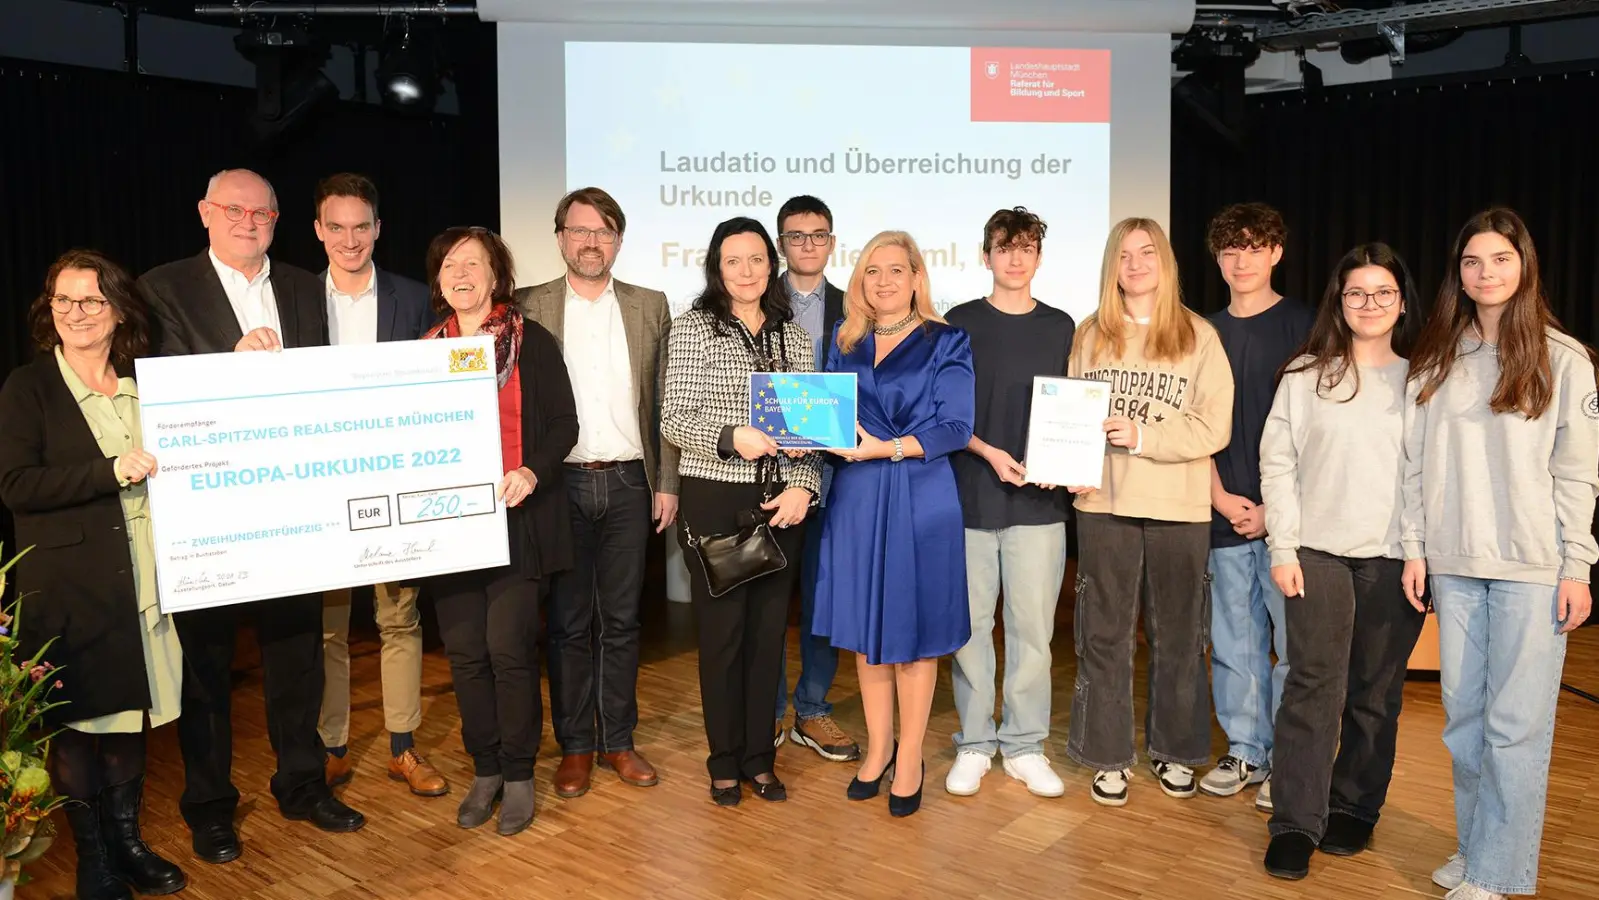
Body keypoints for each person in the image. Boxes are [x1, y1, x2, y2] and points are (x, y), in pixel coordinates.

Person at [138, 168, 365, 863]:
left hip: (291, 506)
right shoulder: (161, 288)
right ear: (205, 212)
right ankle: (209, 806)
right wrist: (226, 367)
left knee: (296, 658)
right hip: (207, 514)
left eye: (262, 212)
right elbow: (151, 383)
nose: (248, 221)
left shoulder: (303, 286)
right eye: (233, 210)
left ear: (276, 219)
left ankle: (302, 784)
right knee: (206, 665)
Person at [1401, 209, 1597, 900]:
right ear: (1457, 273)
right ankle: (1477, 845)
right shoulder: (1436, 358)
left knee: (1515, 725)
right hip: (1454, 565)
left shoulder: (1561, 358)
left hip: (1530, 568)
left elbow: (1577, 472)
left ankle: (1495, 871)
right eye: (1471, 262)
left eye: (1499, 260)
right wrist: (1415, 547)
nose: (1485, 274)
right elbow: (1414, 464)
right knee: (1462, 722)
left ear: (1524, 267)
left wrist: (1576, 565)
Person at [0, 250, 186, 900]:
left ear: (117, 311)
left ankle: (130, 844)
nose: (75, 313)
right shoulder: (29, 388)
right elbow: (17, 486)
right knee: (81, 731)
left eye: (90, 301)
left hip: (144, 583)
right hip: (73, 592)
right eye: (63, 300)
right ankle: (95, 860)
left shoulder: (145, 383)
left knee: (129, 720)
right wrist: (110, 468)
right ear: (48, 310)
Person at [1256, 243, 1427, 879]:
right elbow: (1278, 464)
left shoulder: (1420, 379)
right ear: (1339, 300)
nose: (1369, 304)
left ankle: (1355, 805)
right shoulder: (1305, 376)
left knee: (1375, 694)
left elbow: (1421, 477)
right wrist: (1283, 547)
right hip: (1316, 554)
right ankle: (1297, 820)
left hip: (1390, 560)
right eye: (1356, 293)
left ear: (1401, 301)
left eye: (1383, 293)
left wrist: (1417, 552)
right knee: (1310, 686)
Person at [1064, 217, 1234, 807]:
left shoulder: (1198, 335)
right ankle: (1106, 755)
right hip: (1104, 502)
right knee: (1104, 634)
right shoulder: (1091, 334)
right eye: (1124, 255)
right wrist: (1068, 464)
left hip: (1178, 507)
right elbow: (1070, 417)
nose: (1135, 265)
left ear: (1166, 262)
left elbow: (1214, 426)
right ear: (1111, 266)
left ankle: (1176, 751)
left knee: (1180, 635)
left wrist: (1140, 435)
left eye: (1147, 253)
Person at [516, 187, 676, 799]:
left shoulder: (648, 305)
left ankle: (619, 739)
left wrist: (667, 484)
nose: (591, 242)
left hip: (632, 482)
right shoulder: (528, 306)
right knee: (567, 623)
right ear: (560, 238)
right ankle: (576, 745)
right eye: (580, 231)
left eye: (604, 232)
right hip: (559, 485)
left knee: (624, 621)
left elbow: (664, 401)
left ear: (618, 241)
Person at [421, 226, 578, 836]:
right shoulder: (424, 351)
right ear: (440, 280)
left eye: (474, 264)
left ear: (496, 276)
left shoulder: (530, 341)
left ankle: (517, 775)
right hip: (451, 525)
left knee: (510, 653)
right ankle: (483, 768)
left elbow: (564, 423)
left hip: (518, 521)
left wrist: (531, 472)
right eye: (450, 264)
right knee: (464, 656)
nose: (461, 274)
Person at [813, 230, 976, 819]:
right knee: (866, 630)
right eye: (872, 271)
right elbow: (827, 418)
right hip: (856, 498)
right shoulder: (844, 339)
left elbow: (956, 427)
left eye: (895, 270)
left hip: (919, 495)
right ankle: (878, 747)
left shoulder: (947, 340)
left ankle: (911, 755)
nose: (883, 281)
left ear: (915, 278)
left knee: (914, 632)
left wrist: (888, 450)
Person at [661, 216, 821, 807]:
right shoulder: (694, 329)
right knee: (723, 640)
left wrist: (803, 487)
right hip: (715, 500)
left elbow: (810, 434)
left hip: (781, 504)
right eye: (734, 261)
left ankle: (760, 758)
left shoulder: (794, 337)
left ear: (772, 264)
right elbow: (673, 420)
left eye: (757, 259)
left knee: (767, 641)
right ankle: (723, 760)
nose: (747, 271)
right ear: (716, 267)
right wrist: (734, 435)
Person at [311, 172, 447, 798]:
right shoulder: (294, 300)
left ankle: (403, 747)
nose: (349, 238)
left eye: (360, 226)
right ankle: (332, 747)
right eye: (336, 226)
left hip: (396, 488)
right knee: (328, 629)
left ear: (378, 229)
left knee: (400, 618)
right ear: (318, 230)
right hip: (319, 489)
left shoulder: (415, 299)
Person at [944, 208, 1075, 798]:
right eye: (1004, 247)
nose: (1016, 258)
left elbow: (1073, 413)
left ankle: (1024, 745)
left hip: (1039, 509)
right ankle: (974, 742)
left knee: (1031, 632)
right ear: (986, 254)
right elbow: (943, 413)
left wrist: (1063, 463)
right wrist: (988, 451)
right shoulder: (958, 323)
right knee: (969, 629)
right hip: (970, 497)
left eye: (1026, 248)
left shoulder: (1062, 327)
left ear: (1039, 258)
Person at [1200, 203, 1315, 810]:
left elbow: (1323, 429)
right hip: (1220, 510)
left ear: (1276, 252)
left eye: (1253, 247)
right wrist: (1219, 495)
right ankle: (1246, 748)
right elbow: (1190, 422)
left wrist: (1273, 508)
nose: (1241, 260)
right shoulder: (1200, 331)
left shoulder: (1309, 325)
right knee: (1234, 640)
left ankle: (1290, 762)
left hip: (1288, 520)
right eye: (1229, 250)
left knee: (1295, 648)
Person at [771, 194, 858, 761]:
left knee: (824, 601)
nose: (807, 244)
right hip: (765, 478)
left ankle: (812, 708)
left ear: (831, 242)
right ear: (781, 243)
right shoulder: (749, 296)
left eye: (818, 235)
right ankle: (772, 709)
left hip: (835, 480)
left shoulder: (857, 306)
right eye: (796, 236)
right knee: (769, 603)